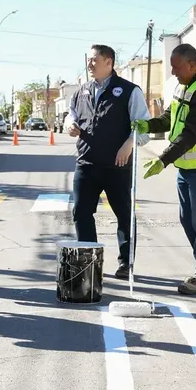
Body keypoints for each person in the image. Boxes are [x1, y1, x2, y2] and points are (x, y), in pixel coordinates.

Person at [135, 43, 196, 295]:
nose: (173, 72)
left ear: (192, 65)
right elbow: (169, 118)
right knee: (187, 219)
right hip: (186, 165)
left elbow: (190, 134)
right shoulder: (182, 86)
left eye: (176, 67)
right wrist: (147, 125)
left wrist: (162, 159)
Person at [65, 44, 151, 280]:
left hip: (118, 166)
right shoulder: (80, 91)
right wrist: (69, 125)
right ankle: (89, 261)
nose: (89, 64)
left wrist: (129, 143)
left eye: (94, 60)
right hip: (86, 163)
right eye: (88, 60)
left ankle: (126, 263)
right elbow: (70, 114)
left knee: (124, 214)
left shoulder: (129, 91)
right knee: (81, 211)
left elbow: (144, 128)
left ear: (109, 62)